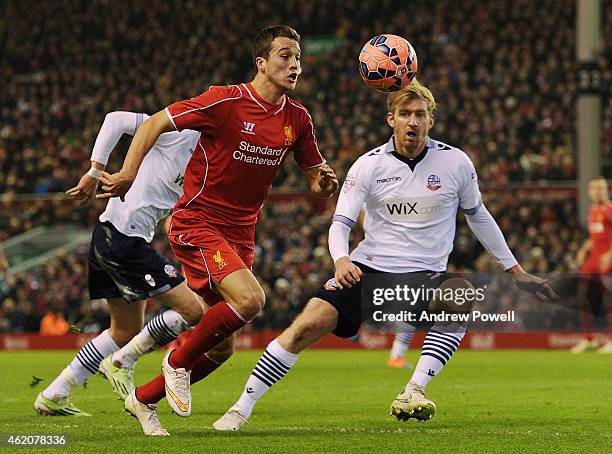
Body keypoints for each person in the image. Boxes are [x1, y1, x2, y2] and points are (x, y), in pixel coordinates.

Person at [212, 79, 557, 431]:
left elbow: (479, 216)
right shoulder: (368, 166)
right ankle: (241, 408)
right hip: (367, 269)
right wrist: (341, 260)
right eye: (405, 114)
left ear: (431, 121)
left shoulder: (456, 163)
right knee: (304, 327)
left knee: (459, 295)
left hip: (424, 276)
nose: (413, 122)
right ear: (390, 119)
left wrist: (516, 271)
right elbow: (341, 221)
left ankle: (414, 389)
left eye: (420, 115)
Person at [97, 25, 338, 435]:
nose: (294, 64)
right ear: (260, 62)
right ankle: (175, 362)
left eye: (298, 57)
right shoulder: (225, 101)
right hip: (197, 221)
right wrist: (126, 172)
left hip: (241, 235)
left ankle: (142, 399)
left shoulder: (297, 119)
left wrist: (323, 182)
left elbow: (314, 172)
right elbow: (156, 121)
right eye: (284, 55)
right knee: (250, 299)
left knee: (223, 346)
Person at [34, 111, 232, 430]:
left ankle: (55, 392)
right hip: (123, 239)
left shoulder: (210, 157)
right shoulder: (179, 130)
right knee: (196, 310)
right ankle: (123, 360)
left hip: (113, 236)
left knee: (124, 330)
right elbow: (115, 119)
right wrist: (95, 171)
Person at [572, 177, 612, 353]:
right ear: (589, 192)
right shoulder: (593, 210)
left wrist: (610, 255)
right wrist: (584, 249)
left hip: (607, 259)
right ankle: (588, 339)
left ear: (607, 190)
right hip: (594, 259)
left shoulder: (610, 209)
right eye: (595, 188)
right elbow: (595, 236)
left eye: (601, 188)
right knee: (583, 298)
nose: (598, 191)